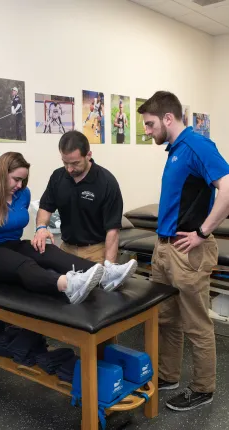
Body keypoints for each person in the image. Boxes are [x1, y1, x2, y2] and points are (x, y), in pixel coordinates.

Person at [138, 91, 229, 411]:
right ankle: (168, 376)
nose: (147, 131)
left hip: (187, 252)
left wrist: (203, 232)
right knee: (167, 319)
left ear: (167, 118)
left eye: (149, 124)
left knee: (196, 323)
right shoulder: (175, 149)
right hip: (164, 248)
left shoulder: (196, 145)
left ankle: (203, 388)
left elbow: (228, 188)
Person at [0, 152, 134, 304]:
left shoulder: (22, 194)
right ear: (0, 174)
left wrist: (39, 231)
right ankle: (68, 285)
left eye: (23, 180)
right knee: (23, 263)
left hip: (10, 245)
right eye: (15, 179)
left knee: (46, 251)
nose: (19, 185)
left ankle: (104, 275)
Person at [32, 131, 138, 291]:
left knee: (95, 301)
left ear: (88, 155)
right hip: (66, 249)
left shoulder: (106, 182)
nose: (69, 169)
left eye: (75, 163)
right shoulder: (58, 177)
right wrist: (41, 228)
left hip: (95, 251)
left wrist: (108, 267)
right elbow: (45, 207)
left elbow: (113, 231)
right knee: (64, 298)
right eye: (65, 162)